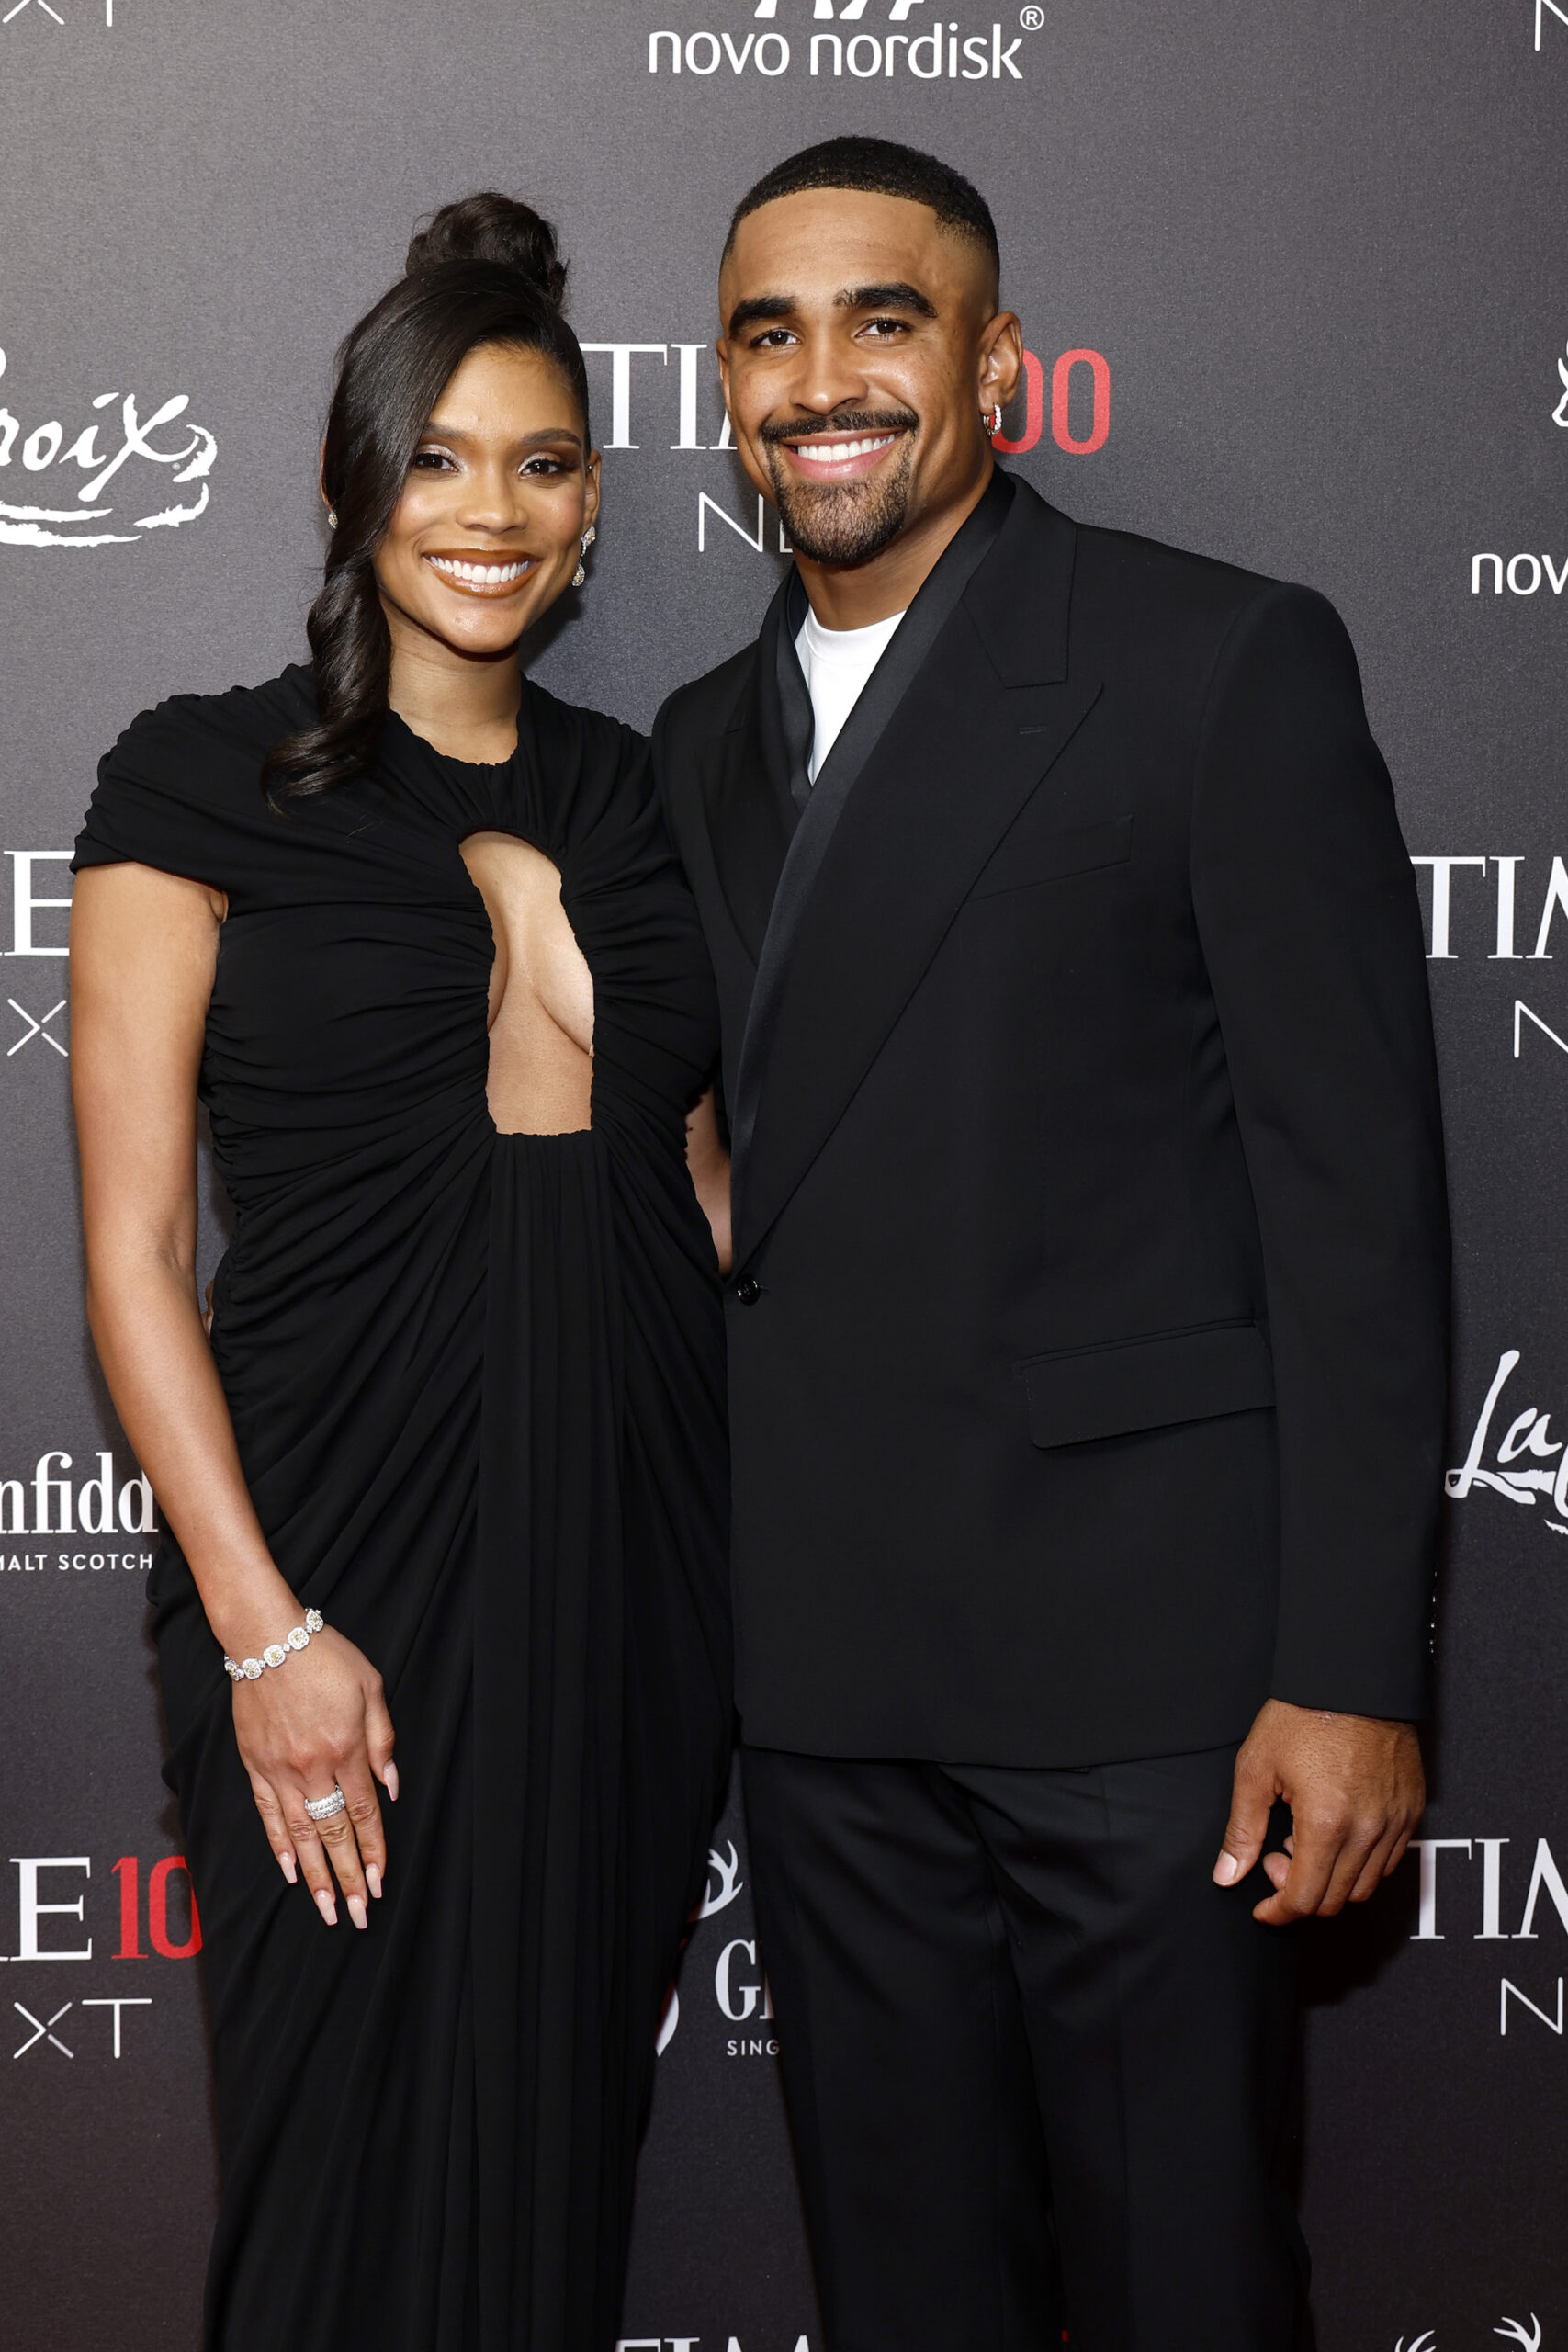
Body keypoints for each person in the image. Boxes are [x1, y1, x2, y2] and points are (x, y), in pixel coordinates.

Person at [653, 137, 1449, 2351]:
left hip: (1149, 1700)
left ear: (998, 362)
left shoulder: (1210, 661)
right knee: (906, 2295)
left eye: (879, 319)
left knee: (1181, 2283)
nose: (820, 377)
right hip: (822, 1695)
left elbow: (1354, 1205)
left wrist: (1353, 1662)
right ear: (721, 388)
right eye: (765, 330)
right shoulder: (698, 750)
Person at [70, 193, 732, 2352]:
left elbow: (697, 1192)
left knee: (548, 2177)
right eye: (437, 457)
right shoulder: (196, 782)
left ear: (595, 506)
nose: (489, 510)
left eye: (540, 462)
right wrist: (266, 1638)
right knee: (332, 2176)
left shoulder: (643, 801)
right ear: (355, 481)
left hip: (616, 1570)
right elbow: (134, 1252)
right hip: (323, 1564)